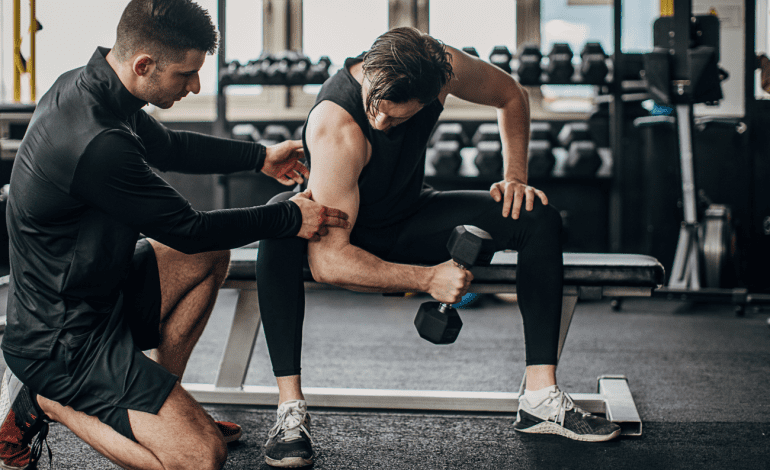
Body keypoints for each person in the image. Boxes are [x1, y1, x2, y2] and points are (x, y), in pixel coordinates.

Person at [0, 1, 349, 469]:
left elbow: (169, 147)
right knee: (201, 458)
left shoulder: (96, 91)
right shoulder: (97, 142)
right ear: (144, 65)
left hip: (101, 293)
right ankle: (46, 401)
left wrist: (259, 157)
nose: (196, 86)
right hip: (63, 341)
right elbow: (187, 229)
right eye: (186, 75)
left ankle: (160, 402)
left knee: (210, 256)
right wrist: (289, 219)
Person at [255, 26, 621, 468]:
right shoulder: (338, 126)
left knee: (536, 215)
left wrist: (516, 177)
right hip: (345, 232)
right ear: (369, 69)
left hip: (411, 214)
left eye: (398, 118)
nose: (381, 123)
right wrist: (429, 278)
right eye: (377, 107)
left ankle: (540, 397)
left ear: (436, 94)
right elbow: (331, 263)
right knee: (280, 220)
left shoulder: (444, 66)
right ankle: (290, 412)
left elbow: (511, 94)